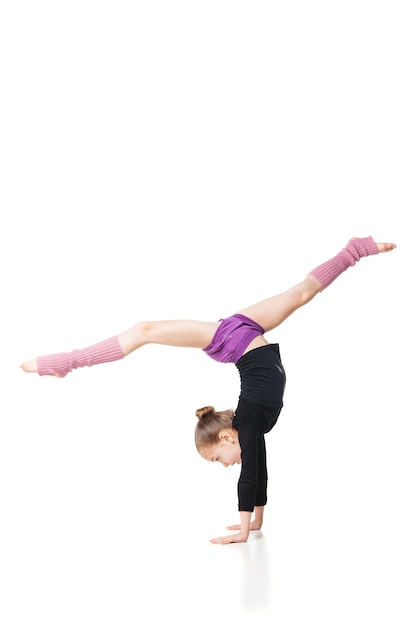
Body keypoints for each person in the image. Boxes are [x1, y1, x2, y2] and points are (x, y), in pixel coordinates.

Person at [20, 236, 396, 544]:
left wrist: (244, 531)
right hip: (247, 331)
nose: (226, 465)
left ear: (226, 435)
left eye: (218, 457)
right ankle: (354, 250)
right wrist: (259, 523)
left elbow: (248, 478)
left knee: (145, 330)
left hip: (229, 341)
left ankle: (66, 362)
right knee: (302, 292)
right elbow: (260, 473)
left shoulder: (247, 424)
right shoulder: (252, 428)